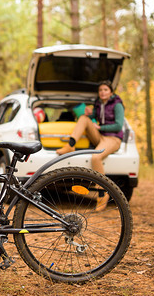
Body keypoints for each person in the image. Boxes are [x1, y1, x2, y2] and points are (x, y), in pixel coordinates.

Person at [56, 80, 125, 211]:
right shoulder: (98, 103)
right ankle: (71, 145)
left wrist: (101, 126)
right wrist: (89, 113)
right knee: (83, 118)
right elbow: (94, 116)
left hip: (113, 138)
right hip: (100, 135)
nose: (102, 92)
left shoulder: (117, 105)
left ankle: (102, 194)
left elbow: (118, 125)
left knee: (96, 158)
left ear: (111, 92)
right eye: (100, 90)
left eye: (105, 90)